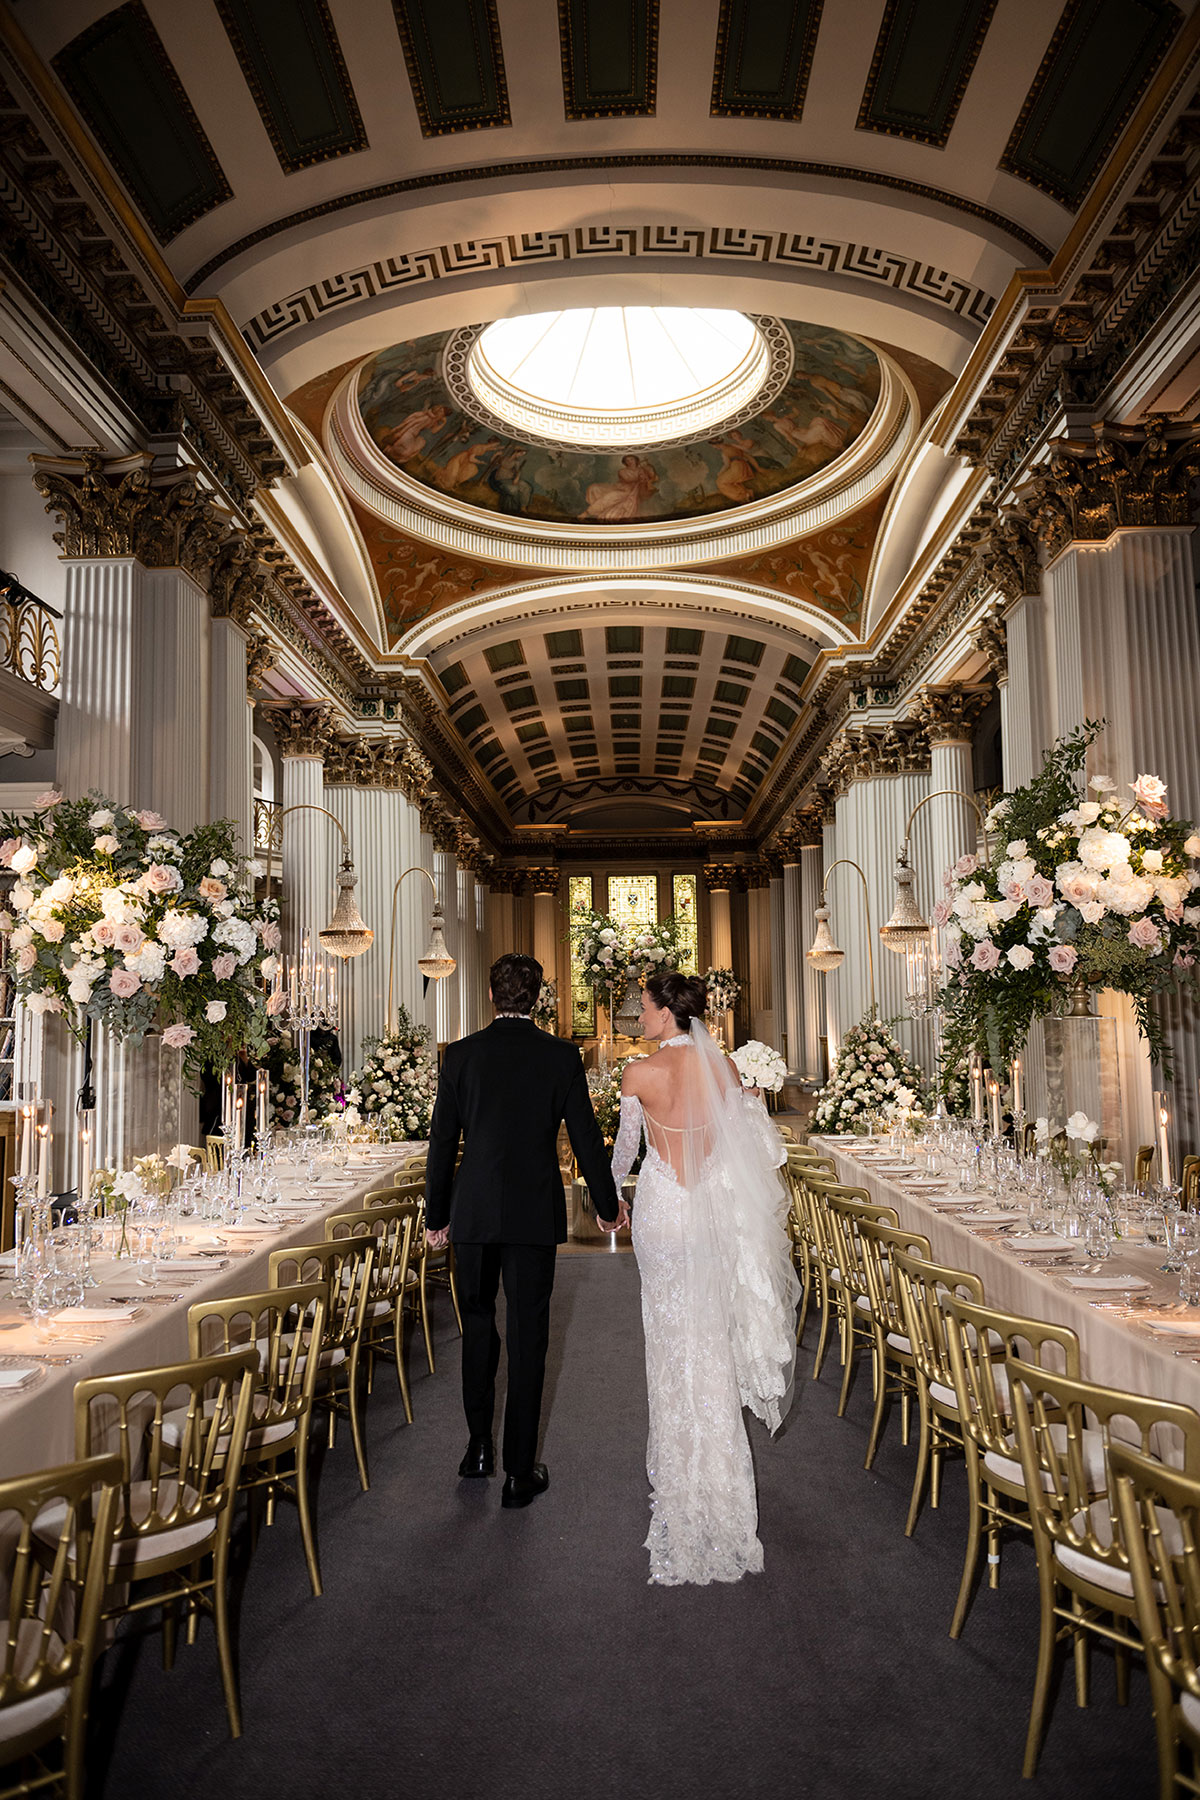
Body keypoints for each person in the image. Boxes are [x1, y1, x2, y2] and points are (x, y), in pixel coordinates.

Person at [611, 972, 799, 1584]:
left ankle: (680, 1483)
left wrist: (610, 1199)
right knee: (710, 1342)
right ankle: (723, 1495)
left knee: (670, 1346)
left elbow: (622, 1157)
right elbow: (744, 1151)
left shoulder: (639, 1074)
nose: (638, 1018)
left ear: (667, 1014)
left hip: (664, 1212)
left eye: (643, 1009)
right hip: (710, 1213)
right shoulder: (727, 1073)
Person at [425, 953, 627, 1509]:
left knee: (479, 1326)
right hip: (534, 1212)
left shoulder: (461, 1056)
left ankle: (477, 1449)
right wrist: (608, 1207)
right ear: (537, 998)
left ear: (491, 996)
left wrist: (436, 1216)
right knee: (529, 1334)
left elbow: (443, 1143)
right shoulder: (561, 1057)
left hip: (473, 1212)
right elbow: (587, 1139)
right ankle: (519, 1470)